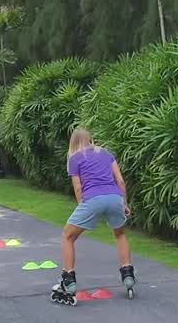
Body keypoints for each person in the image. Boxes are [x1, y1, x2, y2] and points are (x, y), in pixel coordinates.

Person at [52, 127, 136, 304]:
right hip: (114, 197)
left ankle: (69, 279)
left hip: (92, 199)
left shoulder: (75, 158)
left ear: (73, 142)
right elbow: (120, 180)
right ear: (91, 139)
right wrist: (124, 203)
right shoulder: (105, 153)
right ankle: (128, 274)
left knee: (67, 236)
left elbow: (78, 187)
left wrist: (82, 206)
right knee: (120, 234)